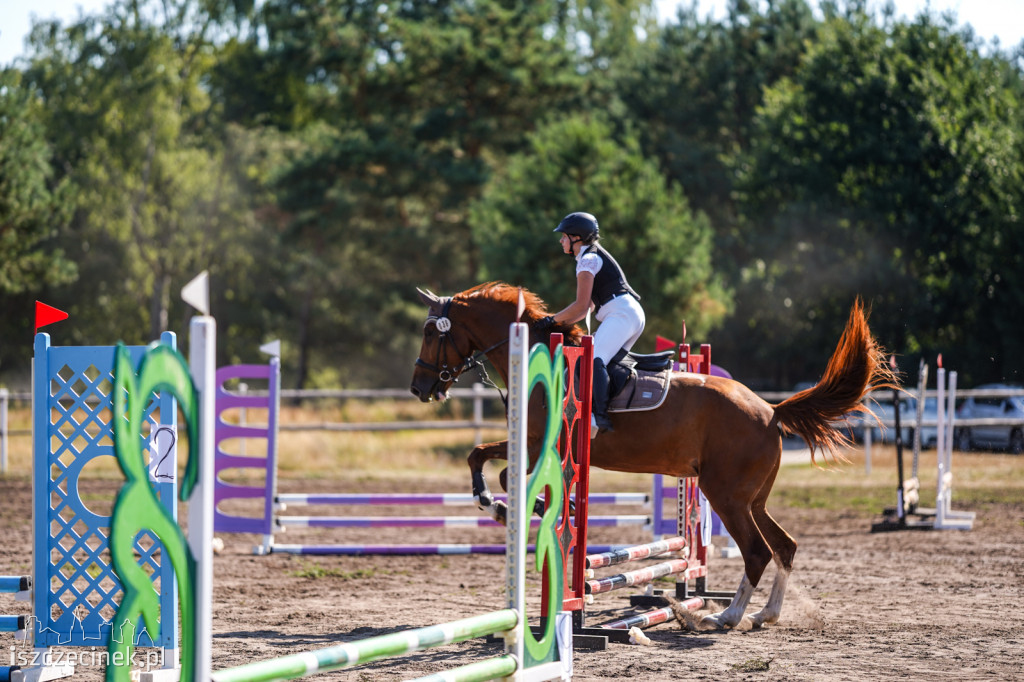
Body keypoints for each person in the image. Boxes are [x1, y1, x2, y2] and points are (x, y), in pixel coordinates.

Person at [534, 212, 645, 434]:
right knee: (606, 364)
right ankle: (614, 412)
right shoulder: (591, 257)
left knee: (593, 358)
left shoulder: (587, 260)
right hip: (628, 313)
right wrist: (558, 322)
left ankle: (598, 418)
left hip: (621, 314)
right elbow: (587, 308)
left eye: (564, 236)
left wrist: (550, 320)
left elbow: (581, 307)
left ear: (577, 237)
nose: (561, 241)